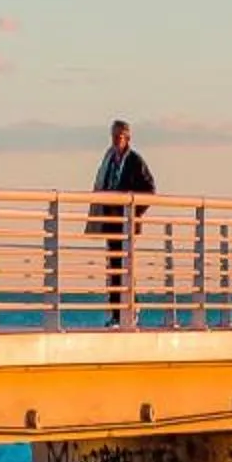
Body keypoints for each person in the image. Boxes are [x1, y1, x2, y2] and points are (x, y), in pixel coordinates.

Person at [90, 120, 156, 322]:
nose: (117, 140)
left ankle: (129, 310)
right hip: (110, 219)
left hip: (126, 221)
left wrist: (134, 211)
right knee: (113, 266)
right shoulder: (109, 159)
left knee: (126, 267)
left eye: (120, 136)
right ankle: (116, 313)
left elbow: (150, 190)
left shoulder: (135, 161)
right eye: (114, 136)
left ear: (127, 138)